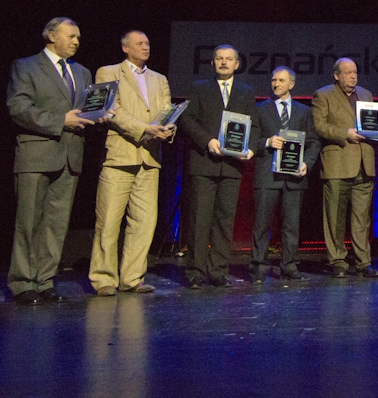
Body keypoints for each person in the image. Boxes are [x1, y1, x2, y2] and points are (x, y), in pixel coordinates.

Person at [7, 18, 98, 305]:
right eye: (71, 36)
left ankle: (45, 281)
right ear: (50, 35)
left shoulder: (82, 72)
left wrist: (99, 114)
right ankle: (23, 284)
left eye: (79, 38)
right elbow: (19, 109)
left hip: (70, 156)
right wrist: (62, 120)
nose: (76, 41)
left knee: (56, 225)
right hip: (37, 154)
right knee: (29, 222)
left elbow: (86, 108)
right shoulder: (26, 66)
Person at [89, 30, 175, 296]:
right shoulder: (108, 72)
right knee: (109, 221)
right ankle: (104, 279)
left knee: (145, 221)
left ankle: (133, 277)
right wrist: (144, 128)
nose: (145, 47)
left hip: (149, 158)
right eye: (139, 43)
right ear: (125, 47)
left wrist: (167, 128)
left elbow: (166, 109)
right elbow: (111, 109)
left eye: (148, 43)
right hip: (119, 156)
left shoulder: (159, 78)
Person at [178, 45, 258, 289]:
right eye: (219, 59)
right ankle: (195, 272)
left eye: (229, 59)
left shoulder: (246, 91)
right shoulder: (199, 87)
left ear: (237, 64)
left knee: (225, 221)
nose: (224, 62)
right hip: (204, 163)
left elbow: (253, 127)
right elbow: (187, 119)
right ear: (212, 63)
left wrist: (251, 149)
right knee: (199, 220)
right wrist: (207, 140)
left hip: (232, 166)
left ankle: (219, 271)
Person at [312, 57, 378, 278]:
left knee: (362, 218)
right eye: (348, 73)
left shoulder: (366, 94)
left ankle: (364, 262)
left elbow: (370, 123)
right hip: (337, 163)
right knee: (334, 217)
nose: (353, 76)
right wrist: (345, 133)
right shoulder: (323, 95)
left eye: (355, 72)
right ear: (336, 75)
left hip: (364, 165)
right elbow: (319, 126)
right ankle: (338, 261)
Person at [250, 66, 321, 284]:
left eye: (281, 80)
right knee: (262, 223)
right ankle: (259, 266)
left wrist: (306, 164)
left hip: (294, 176)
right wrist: (267, 142)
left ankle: (289, 265)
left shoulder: (303, 111)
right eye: (274, 80)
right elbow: (251, 140)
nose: (276, 84)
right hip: (267, 174)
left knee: (291, 224)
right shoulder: (260, 109)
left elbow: (313, 142)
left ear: (292, 84)